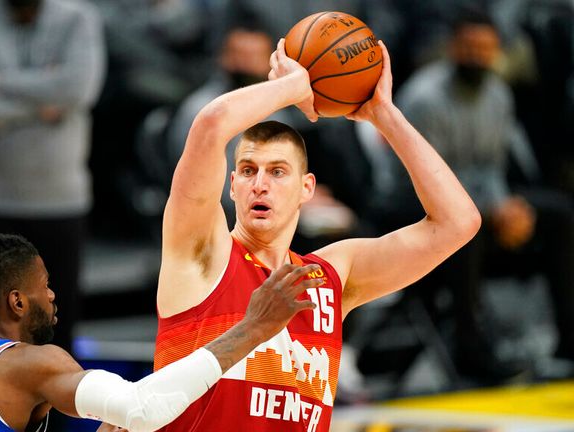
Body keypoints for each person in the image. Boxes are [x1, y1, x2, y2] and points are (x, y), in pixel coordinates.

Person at [153, 34, 480, 432]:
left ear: (306, 188)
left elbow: (458, 222)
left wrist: (385, 114)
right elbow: (210, 125)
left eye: (277, 172)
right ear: (233, 184)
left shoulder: (331, 275)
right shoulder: (201, 253)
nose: (260, 184)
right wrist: (294, 86)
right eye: (249, 171)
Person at [0, 230, 321, 431]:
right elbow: (144, 409)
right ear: (17, 303)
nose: (54, 296)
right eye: (45, 286)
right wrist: (254, 327)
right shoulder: (25, 364)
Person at [377, 6, 574, 378]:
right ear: (452, 48)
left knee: (559, 214)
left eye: (485, 48)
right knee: (464, 229)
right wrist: (491, 208)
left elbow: (492, 168)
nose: (477, 55)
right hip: (408, 206)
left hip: (475, 203)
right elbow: (424, 177)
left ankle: (569, 340)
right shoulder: (425, 98)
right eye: (469, 47)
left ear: (497, 51)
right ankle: (470, 350)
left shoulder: (499, 94)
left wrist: (507, 207)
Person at [0, 0, 104, 388]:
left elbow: (78, 88)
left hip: (57, 203)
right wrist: (44, 101)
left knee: (57, 344)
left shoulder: (77, 18)